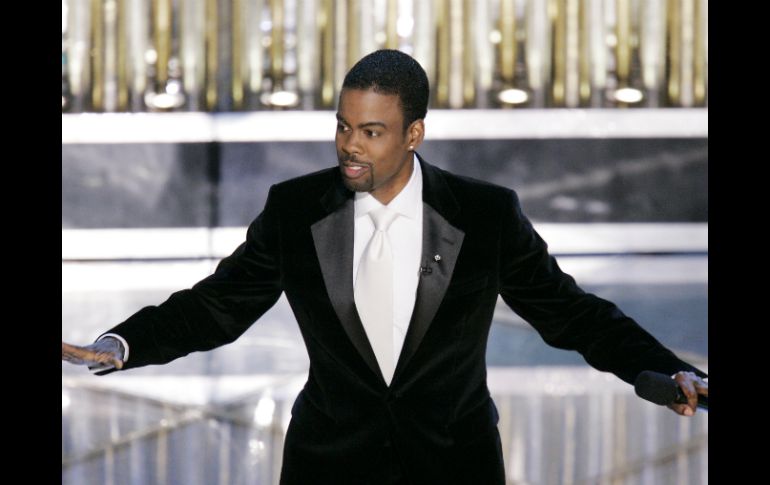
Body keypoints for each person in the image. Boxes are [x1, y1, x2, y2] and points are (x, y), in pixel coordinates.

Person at [62, 49, 708, 485]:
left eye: (371, 131)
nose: (350, 144)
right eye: (343, 126)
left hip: (455, 466)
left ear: (413, 134)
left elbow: (571, 313)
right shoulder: (295, 210)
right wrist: (122, 343)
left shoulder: (485, 214)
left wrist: (660, 367)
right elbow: (217, 305)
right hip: (328, 465)